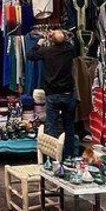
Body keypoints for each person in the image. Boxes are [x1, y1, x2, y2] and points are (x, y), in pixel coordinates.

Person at [26, 29, 77, 159]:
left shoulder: (46, 51)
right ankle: (68, 155)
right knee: (69, 127)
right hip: (67, 94)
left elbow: (30, 55)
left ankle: (54, 157)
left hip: (53, 95)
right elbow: (70, 39)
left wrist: (40, 42)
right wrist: (59, 35)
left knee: (52, 126)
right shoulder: (69, 50)